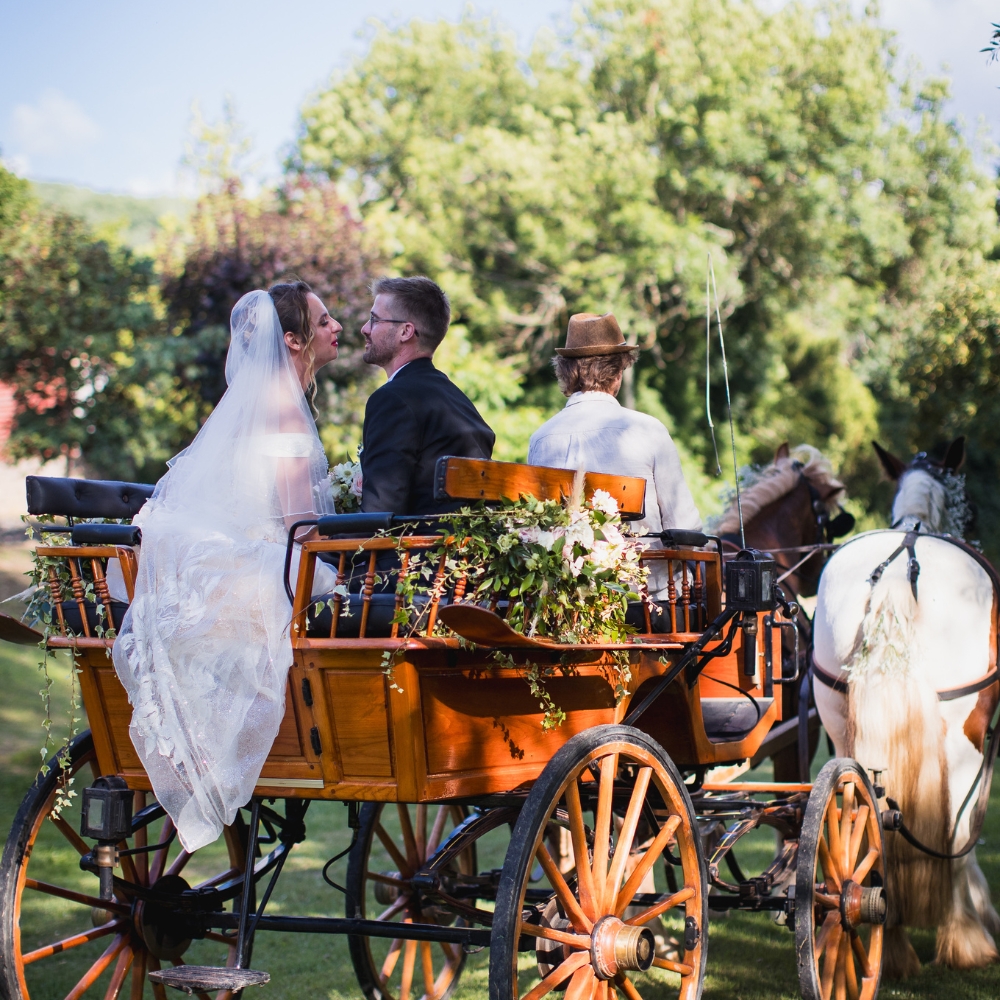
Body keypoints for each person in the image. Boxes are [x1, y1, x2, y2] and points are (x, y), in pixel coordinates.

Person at [112, 282, 341, 852]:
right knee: (332, 582)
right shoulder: (285, 409)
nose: (337, 327)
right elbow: (299, 524)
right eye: (324, 319)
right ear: (293, 340)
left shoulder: (243, 404)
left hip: (219, 555)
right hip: (259, 558)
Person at [527, 312, 702, 601]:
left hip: (567, 600)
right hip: (643, 601)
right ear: (618, 373)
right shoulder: (649, 430)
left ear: (566, 372)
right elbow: (684, 527)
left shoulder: (541, 439)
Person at [358, 276, 495, 515]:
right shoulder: (459, 401)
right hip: (460, 550)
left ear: (405, 331)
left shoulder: (393, 400)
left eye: (374, 319)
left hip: (411, 550)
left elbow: (379, 513)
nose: (365, 329)